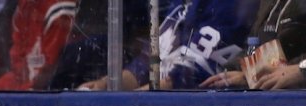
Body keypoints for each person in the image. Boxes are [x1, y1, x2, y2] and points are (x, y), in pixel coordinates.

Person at [80, 0, 258, 90]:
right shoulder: (179, 5)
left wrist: (133, 99)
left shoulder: (229, 6)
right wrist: (105, 84)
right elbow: (147, 66)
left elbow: (189, 75)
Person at [200, 0, 306, 90]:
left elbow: (292, 48)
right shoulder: (268, 4)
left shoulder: (299, 8)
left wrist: (301, 70)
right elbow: (257, 43)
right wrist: (234, 70)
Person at [0, 0, 78, 90]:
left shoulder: (59, 8)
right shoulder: (24, 4)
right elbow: (17, 58)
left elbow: (50, 71)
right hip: (22, 82)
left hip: (45, 90)